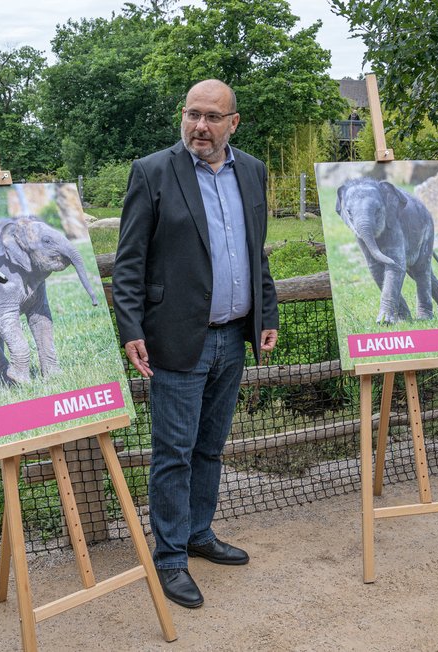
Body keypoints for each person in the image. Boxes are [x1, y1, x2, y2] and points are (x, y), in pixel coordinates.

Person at [112, 79, 279, 608]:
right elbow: (130, 261)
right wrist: (132, 329)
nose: (200, 126)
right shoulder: (153, 171)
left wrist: (266, 311)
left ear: (234, 122)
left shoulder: (251, 171)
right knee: (173, 453)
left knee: (210, 447)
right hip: (177, 337)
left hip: (234, 337)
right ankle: (169, 558)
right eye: (192, 114)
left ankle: (198, 533)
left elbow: (259, 251)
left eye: (212, 117)